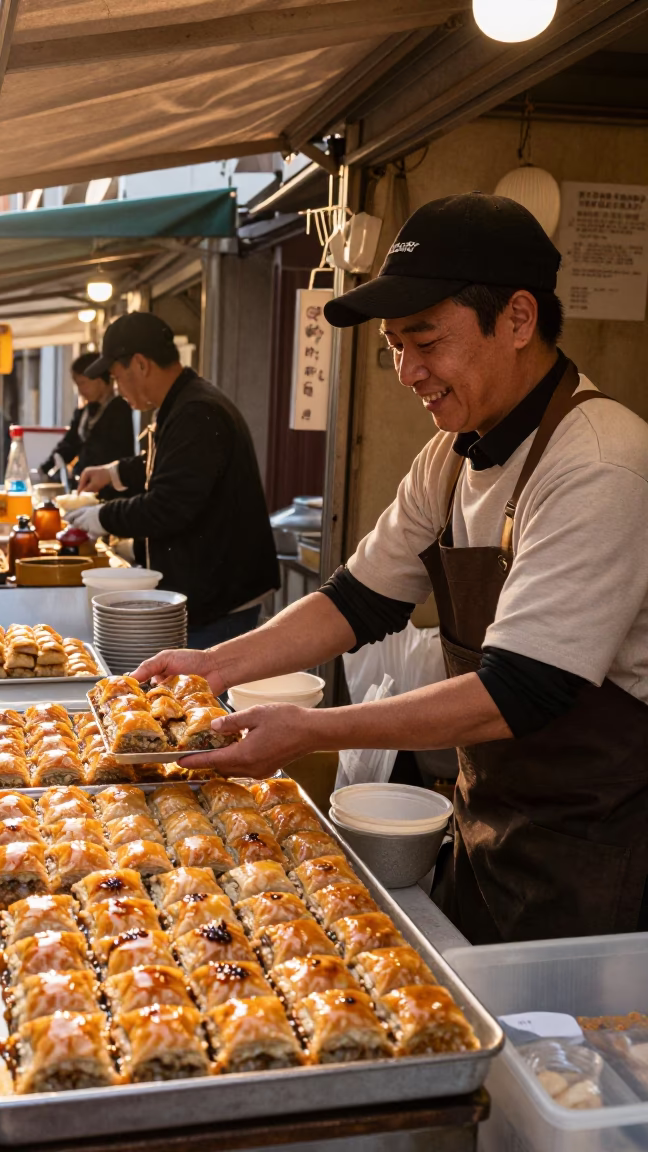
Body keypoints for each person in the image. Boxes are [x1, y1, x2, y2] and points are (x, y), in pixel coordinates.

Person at [134, 194, 648, 946]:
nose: (407, 371)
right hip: (489, 821)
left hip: (602, 846)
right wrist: (212, 666)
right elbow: (355, 600)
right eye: (394, 346)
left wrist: (311, 731)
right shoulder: (449, 456)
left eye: (425, 341)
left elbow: (523, 689)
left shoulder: (600, 463)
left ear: (517, 319)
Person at [68, 313, 279, 647]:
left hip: (220, 598)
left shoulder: (197, 411)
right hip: (210, 587)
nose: (118, 389)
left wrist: (101, 517)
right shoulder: (182, 403)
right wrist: (115, 473)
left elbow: (168, 505)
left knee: (202, 697)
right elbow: (174, 465)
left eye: (116, 376)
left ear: (140, 364)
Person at [40, 351, 135, 484]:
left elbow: (112, 454)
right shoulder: (85, 411)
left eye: (83, 383)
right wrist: (44, 469)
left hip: (111, 486)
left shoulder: (120, 409)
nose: (80, 391)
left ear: (101, 380)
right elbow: (69, 444)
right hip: (85, 483)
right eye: (77, 385)